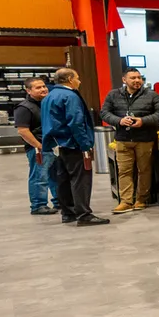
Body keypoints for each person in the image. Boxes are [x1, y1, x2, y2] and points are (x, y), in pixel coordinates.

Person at [41, 67, 107, 226]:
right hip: (73, 144)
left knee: (63, 179)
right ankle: (84, 214)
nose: (79, 81)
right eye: (77, 78)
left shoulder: (48, 96)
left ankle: (68, 213)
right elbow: (76, 122)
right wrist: (85, 145)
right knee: (80, 179)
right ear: (70, 79)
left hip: (57, 144)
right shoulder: (70, 96)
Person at [100, 67, 159, 213]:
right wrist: (119, 121)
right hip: (122, 139)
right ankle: (126, 201)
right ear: (124, 80)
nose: (137, 80)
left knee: (144, 170)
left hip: (145, 139)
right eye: (133, 78)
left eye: (139, 78)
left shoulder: (152, 95)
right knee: (124, 171)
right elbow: (104, 113)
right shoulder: (113, 95)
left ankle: (141, 199)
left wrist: (142, 121)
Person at [13, 77, 59, 215]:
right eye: (38, 88)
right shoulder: (24, 108)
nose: (43, 89)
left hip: (53, 146)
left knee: (55, 176)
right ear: (28, 90)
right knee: (40, 177)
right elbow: (22, 131)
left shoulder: (47, 103)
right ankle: (38, 205)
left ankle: (59, 201)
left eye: (44, 86)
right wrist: (39, 146)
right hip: (38, 148)